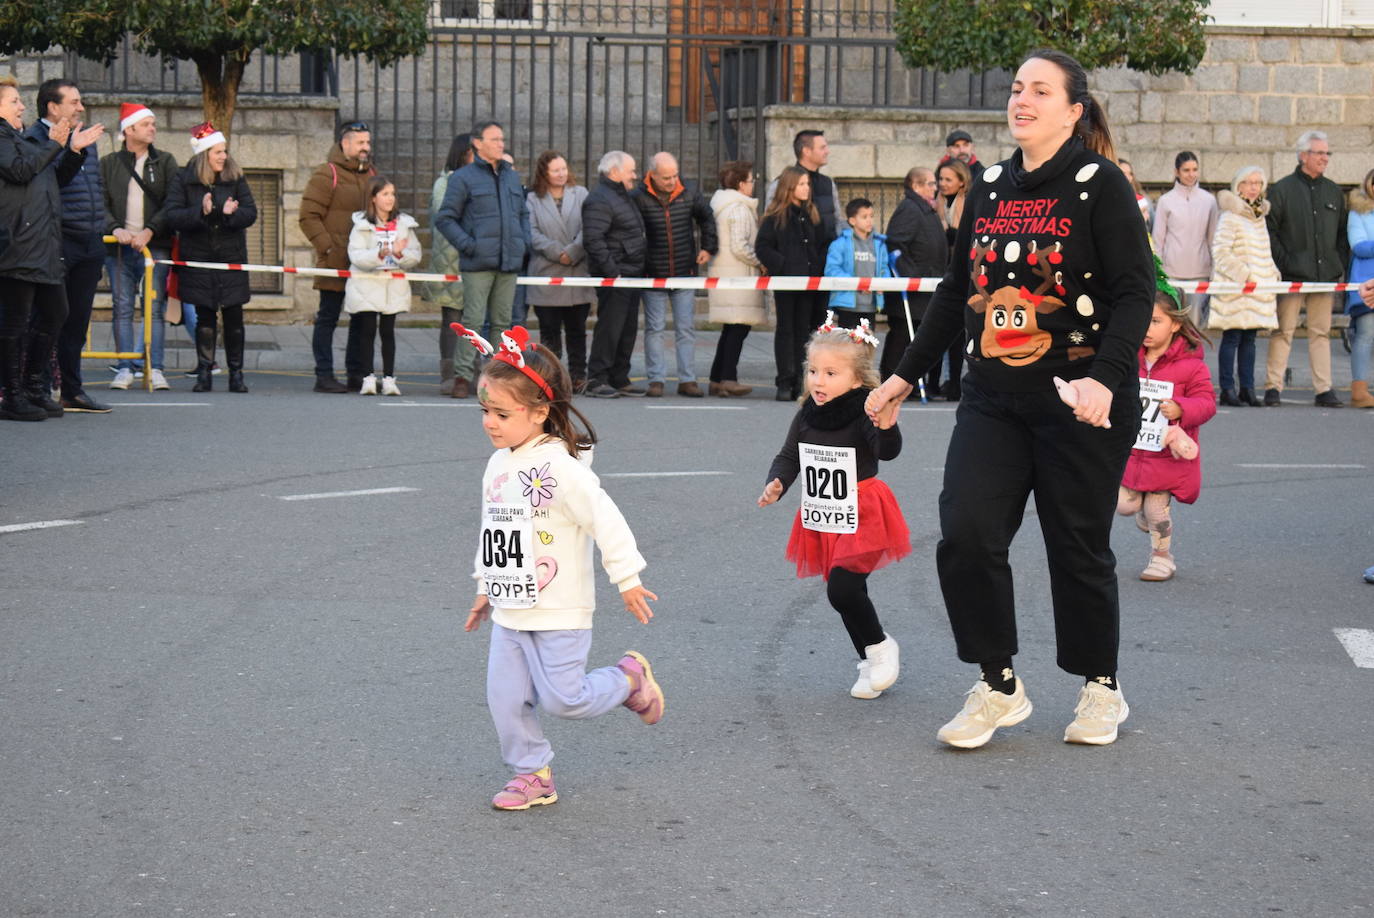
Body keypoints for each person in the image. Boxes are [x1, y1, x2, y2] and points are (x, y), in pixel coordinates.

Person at [865, 48, 1154, 749]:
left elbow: (1134, 293)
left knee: (1077, 547)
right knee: (966, 533)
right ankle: (998, 685)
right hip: (992, 395)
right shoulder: (989, 185)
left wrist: (1103, 380)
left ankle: (1100, 688)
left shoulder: (1100, 183)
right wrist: (904, 374)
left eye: (1041, 90)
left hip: (1079, 400)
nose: (1021, 99)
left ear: (1074, 109)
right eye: (1017, 87)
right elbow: (955, 290)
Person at [455, 322, 663, 811]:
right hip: (511, 608)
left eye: (501, 413)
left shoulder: (560, 470)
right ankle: (533, 774)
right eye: (485, 411)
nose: (489, 422)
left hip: (560, 609)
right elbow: (496, 529)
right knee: (504, 699)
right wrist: (486, 584)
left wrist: (627, 578)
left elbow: (605, 518)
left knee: (564, 700)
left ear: (540, 412)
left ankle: (629, 679)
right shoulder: (500, 461)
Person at [758, 318, 909, 699]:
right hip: (825, 511)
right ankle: (869, 660)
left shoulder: (865, 410)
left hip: (864, 511)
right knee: (847, 590)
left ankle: (879, 646)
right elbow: (790, 455)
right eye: (813, 371)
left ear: (857, 379)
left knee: (843, 589)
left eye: (830, 373)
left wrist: (888, 426)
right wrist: (777, 482)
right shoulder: (807, 413)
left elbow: (886, 452)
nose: (818, 381)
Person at [0, 76, 100, 423]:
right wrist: (56, 145)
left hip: (44, 243)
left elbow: (51, 180)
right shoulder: (12, 138)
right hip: (20, 243)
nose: (22, 106)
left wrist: (71, 151)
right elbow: (19, 169)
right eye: (14, 101)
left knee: (57, 312)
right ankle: (13, 395)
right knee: (15, 323)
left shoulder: (19, 137)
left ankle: (33, 386)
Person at [1117, 281, 1216, 582]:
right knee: (1125, 505)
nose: (1147, 328)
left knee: (1158, 510)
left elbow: (1207, 403)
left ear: (1175, 324)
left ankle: (1162, 558)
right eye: (1143, 320)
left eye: (1156, 321)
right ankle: (1144, 515)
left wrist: (1182, 408)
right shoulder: (1128, 358)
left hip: (1167, 455)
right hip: (1132, 451)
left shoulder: (1191, 366)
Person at [26, 79, 112, 412]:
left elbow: (96, 187)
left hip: (90, 240)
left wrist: (101, 226)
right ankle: (40, 387)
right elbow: (49, 183)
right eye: (74, 102)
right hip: (59, 239)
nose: (81, 107)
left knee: (77, 320)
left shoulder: (86, 138)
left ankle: (72, 390)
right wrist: (69, 150)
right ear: (53, 106)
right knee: (49, 318)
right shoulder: (34, 138)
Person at [434, 121, 530, 399]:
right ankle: (463, 376)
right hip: (478, 262)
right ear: (477, 143)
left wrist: (522, 242)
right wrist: (468, 245)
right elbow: (445, 218)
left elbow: (522, 213)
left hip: (508, 261)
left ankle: (498, 376)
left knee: (503, 321)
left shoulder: (511, 176)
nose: (501, 144)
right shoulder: (463, 178)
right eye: (495, 139)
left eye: (502, 138)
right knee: (474, 321)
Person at [163, 123, 257, 394]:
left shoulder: (235, 178)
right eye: (217, 151)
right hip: (199, 258)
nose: (223, 156)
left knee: (234, 318)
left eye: (224, 151)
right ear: (204, 153)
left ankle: (236, 375)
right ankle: (204, 373)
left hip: (231, 257)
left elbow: (250, 213)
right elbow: (173, 215)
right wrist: (201, 211)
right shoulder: (184, 178)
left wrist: (230, 214)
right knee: (205, 318)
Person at [1265, 131, 1349, 408]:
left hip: (1324, 277)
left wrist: (1336, 263)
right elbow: (1271, 231)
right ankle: (1273, 387)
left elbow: (1341, 233)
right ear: (1304, 156)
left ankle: (1323, 389)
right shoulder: (1282, 190)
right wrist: (1285, 262)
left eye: (1327, 153)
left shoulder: (1333, 191)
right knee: (1283, 331)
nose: (1325, 158)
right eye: (1320, 153)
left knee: (1320, 332)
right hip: (1292, 277)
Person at [101, 101, 179, 399]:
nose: (153, 129)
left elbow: (173, 202)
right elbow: (101, 202)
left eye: (154, 124)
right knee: (122, 305)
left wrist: (150, 231)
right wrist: (114, 229)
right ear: (129, 129)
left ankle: (154, 366)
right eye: (147, 124)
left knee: (154, 306)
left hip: (153, 247)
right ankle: (124, 367)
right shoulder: (109, 163)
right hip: (119, 247)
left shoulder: (166, 161)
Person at [633, 151, 717, 397]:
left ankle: (687, 379)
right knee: (654, 328)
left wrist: (708, 247)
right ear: (652, 175)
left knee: (685, 328)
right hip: (653, 273)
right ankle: (656, 379)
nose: (672, 181)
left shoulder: (689, 190)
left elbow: (707, 218)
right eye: (666, 177)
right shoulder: (638, 196)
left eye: (675, 176)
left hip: (684, 271)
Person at [300, 120, 374, 393]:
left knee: (360, 320)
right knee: (327, 318)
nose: (365, 147)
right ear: (345, 144)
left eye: (367, 142)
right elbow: (308, 216)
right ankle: (324, 374)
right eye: (360, 143)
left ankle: (356, 373)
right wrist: (327, 248)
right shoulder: (326, 174)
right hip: (335, 262)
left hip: (364, 264)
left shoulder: (371, 175)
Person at [756, 166, 831, 402]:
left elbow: (822, 245)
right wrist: (783, 265)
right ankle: (785, 380)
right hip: (787, 280)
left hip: (809, 282)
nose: (806, 189)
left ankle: (802, 379)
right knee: (786, 329)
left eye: (807, 184)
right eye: (801, 184)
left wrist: (817, 266)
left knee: (805, 331)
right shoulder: (776, 217)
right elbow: (763, 247)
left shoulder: (812, 214)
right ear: (789, 187)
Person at [1208, 165, 1280, 407]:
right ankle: (1227, 389)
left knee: (1250, 339)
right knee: (1232, 338)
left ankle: (1247, 388)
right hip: (1236, 288)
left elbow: (1263, 251)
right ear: (1238, 186)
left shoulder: (1258, 216)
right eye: (1248, 182)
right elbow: (1220, 251)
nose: (1253, 187)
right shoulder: (1230, 215)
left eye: (1258, 183)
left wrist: (1271, 272)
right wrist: (1245, 275)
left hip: (1256, 290)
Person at [345, 176, 420, 396]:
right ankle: (368, 377)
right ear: (373, 197)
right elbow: (356, 254)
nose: (390, 199)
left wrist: (399, 253)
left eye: (392, 194)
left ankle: (389, 378)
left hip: (392, 284)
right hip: (367, 283)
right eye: (385, 194)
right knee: (367, 331)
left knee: (388, 331)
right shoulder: (361, 224)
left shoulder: (404, 223)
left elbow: (415, 254)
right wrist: (378, 254)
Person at [581, 150, 648, 399]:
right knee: (610, 328)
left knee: (627, 329)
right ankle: (597, 378)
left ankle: (620, 376)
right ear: (614, 172)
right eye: (630, 170)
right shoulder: (600, 199)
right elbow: (594, 239)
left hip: (631, 273)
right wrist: (613, 271)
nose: (635, 175)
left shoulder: (623, 196)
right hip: (616, 276)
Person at [525, 150, 591, 392]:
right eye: (555, 170)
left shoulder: (581, 194)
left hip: (576, 270)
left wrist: (573, 251)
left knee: (577, 330)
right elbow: (530, 233)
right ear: (544, 172)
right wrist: (556, 252)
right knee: (549, 332)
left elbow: (589, 227)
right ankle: (551, 377)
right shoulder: (533, 199)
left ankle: (577, 375)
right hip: (546, 271)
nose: (561, 173)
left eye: (564, 168)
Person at [880, 166, 947, 383]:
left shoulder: (926, 208)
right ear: (916, 186)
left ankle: (909, 382)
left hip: (926, 287)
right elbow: (896, 243)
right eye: (929, 183)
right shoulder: (909, 208)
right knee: (902, 337)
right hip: (911, 290)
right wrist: (910, 276)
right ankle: (890, 379)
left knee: (916, 338)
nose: (934, 187)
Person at [705, 160, 763, 398]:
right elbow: (741, 246)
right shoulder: (738, 208)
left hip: (725, 273)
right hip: (739, 275)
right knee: (738, 327)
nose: (753, 185)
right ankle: (728, 378)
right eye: (750, 181)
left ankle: (717, 378)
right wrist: (760, 262)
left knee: (731, 328)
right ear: (741, 184)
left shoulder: (721, 205)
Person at [425, 133, 472, 397]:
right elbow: (445, 217)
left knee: (473, 321)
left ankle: (469, 372)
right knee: (452, 320)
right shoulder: (445, 183)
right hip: (451, 262)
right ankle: (449, 374)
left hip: (470, 261)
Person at [1153, 152, 1219, 328]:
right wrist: (1158, 272)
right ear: (1177, 172)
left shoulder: (1209, 200)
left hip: (1200, 272)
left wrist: (1214, 270)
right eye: (1186, 170)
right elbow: (1158, 240)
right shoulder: (1166, 201)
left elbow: (1213, 238)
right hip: (1171, 273)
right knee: (1171, 323)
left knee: (1196, 324)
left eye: (1195, 169)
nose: (1191, 174)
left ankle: (1193, 356)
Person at [932, 159, 973, 401]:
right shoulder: (936, 203)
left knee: (957, 335)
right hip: (940, 272)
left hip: (959, 274)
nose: (942, 184)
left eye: (948, 179)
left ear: (961, 181)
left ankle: (955, 383)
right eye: (941, 179)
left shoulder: (966, 204)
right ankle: (935, 382)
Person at [824, 197, 891, 329]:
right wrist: (857, 284)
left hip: (871, 305)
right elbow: (832, 270)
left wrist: (882, 283)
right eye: (864, 217)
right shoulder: (840, 244)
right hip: (848, 306)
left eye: (871, 216)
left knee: (867, 344)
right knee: (849, 345)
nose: (869, 220)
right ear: (852, 220)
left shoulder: (879, 244)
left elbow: (884, 268)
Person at [765, 130, 844, 238]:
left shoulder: (828, 183)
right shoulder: (781, 183)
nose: (827, 151)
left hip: (827, 253)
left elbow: (837, 221)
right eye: (822, 148)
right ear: (806, 151)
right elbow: (770, 226)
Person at [1344, 168, 1374, 409]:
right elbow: (1359, 246)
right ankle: (1359, 390)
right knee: (1365, 336)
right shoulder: (1359, 212)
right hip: (1367, 284)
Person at [1117, 158, 1152, 225]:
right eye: (1123, 173)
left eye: (1130, 174)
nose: (1128, 177)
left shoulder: (1142, 198)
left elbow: (1151, 224)